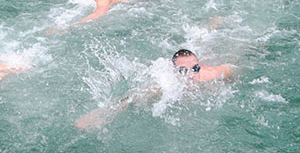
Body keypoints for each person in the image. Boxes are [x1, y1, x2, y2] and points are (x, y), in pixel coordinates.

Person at [75, 49, 232, 130]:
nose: (191, 75)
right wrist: (100, 115)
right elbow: (130, 99)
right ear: (174, 73)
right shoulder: (166, 87)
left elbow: (235, 69)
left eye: (195, 68)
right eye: (183, 71)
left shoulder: (211, 74)